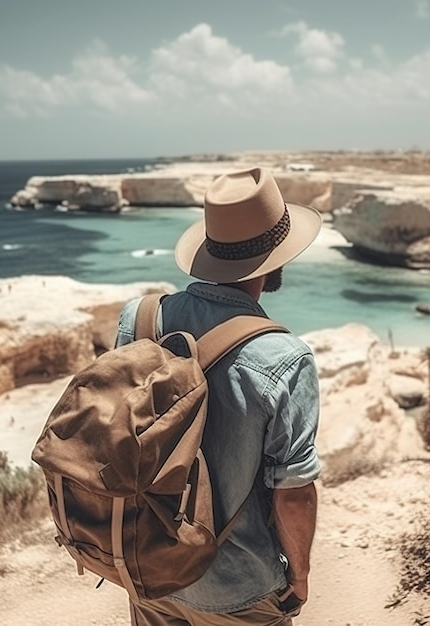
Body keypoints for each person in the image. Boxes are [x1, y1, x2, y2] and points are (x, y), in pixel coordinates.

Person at [115, 166, 322, 626]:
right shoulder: (284, 357)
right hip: (237, 586)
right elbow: (293, 493)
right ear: (276, 255)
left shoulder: (140, 319)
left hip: (149, 567)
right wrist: (301, 575)